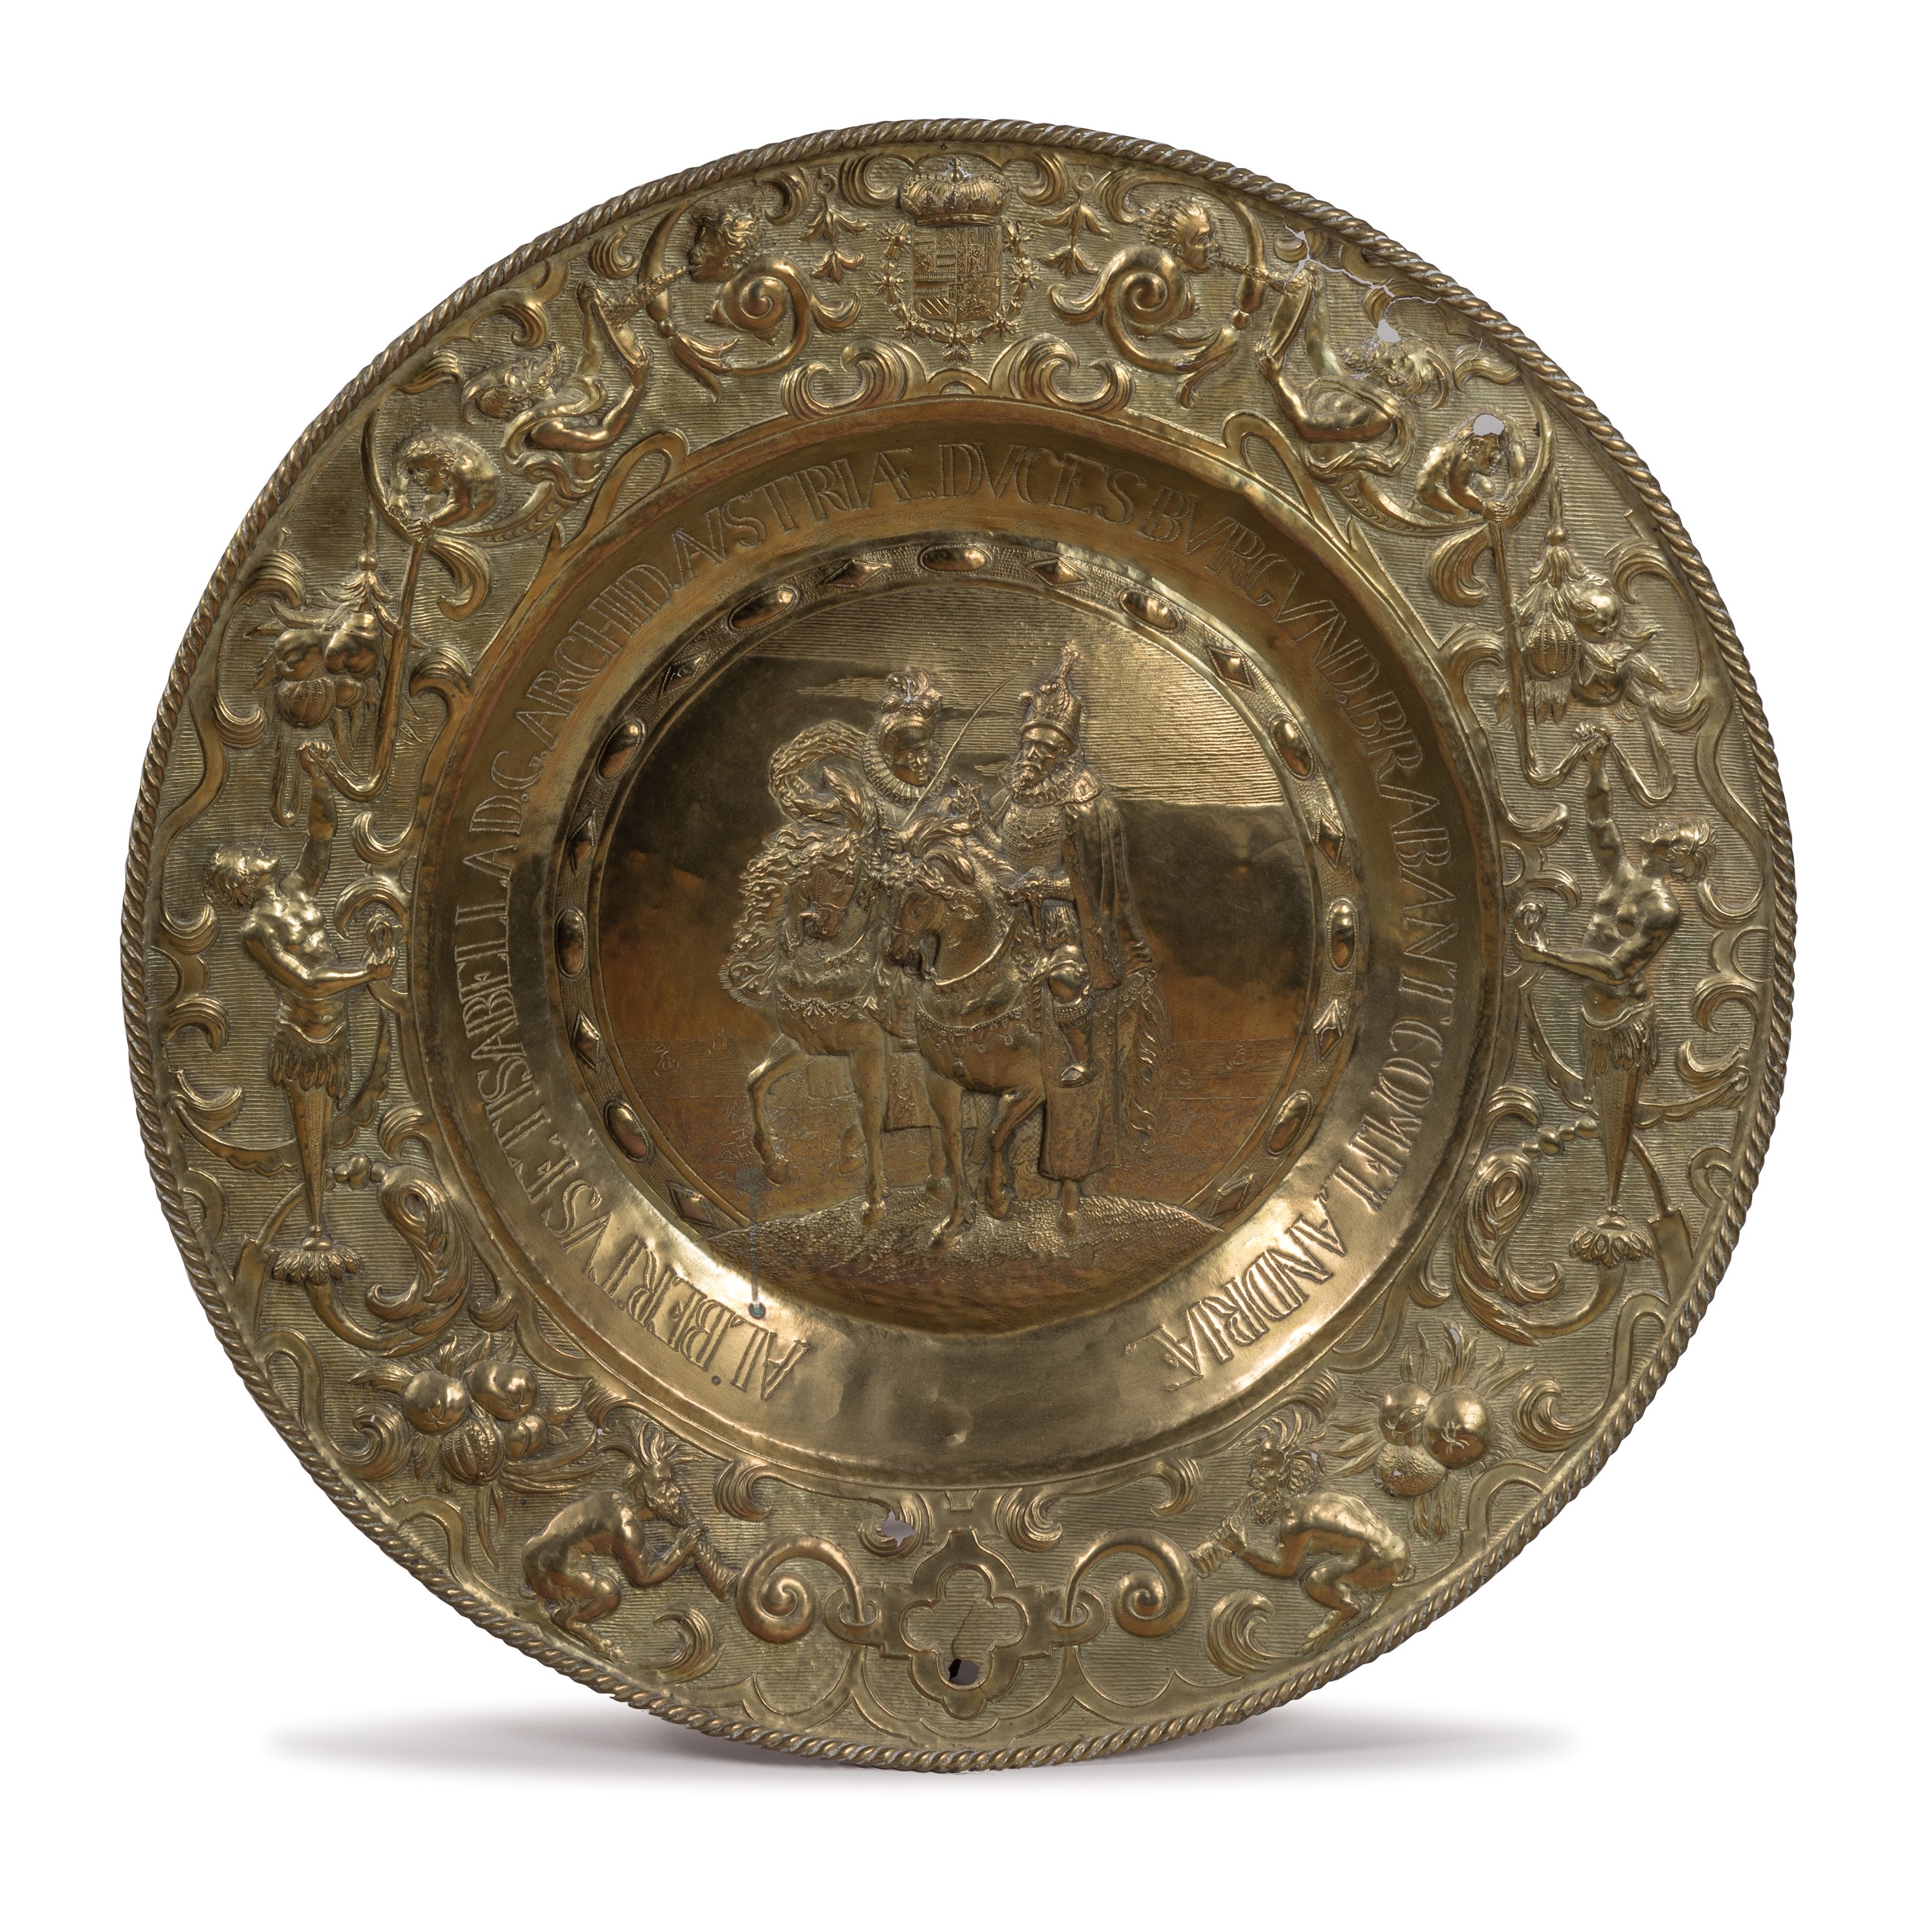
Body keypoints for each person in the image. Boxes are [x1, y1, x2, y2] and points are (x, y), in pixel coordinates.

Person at [1513, 726, 1710, 1264]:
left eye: (1672, 833)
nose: (1661, 827)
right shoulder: (1619, 873)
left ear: (1677, 856)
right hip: (1590, 1014)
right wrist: (1596, 763)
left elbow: (1615, 968)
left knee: (1616, 1117)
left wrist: (1545, 956)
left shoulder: (1663, 910)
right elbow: (1598, 820)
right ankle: (1610, 1199)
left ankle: (1612, 1208)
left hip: (1623, 1023)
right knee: (1597, 1110)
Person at [990, 647, 1165, 1216]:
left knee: (1066, 979)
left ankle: (1080, 1054)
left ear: (1066, 751)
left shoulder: (1085, 802)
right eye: (1029, 745)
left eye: (1046, 749)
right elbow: (988, 847)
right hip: (1003, 914)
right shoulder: (1009, 792)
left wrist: (1041, 885)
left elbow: (1097, 885)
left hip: (1063, 922)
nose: (1033, 756)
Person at [207, 773, 393, 1284]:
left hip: (336, 1031)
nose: (257, 850)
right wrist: (367, 974)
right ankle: (315, 1230)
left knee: (324, 1132)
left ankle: (318, 1224)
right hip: (304, 1041)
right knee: (311, 1136)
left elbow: (321, 838)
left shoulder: (295, 890)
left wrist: (318, 780)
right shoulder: (256, 931)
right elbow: (307, 983)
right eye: (247, 856)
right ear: (243, 882)